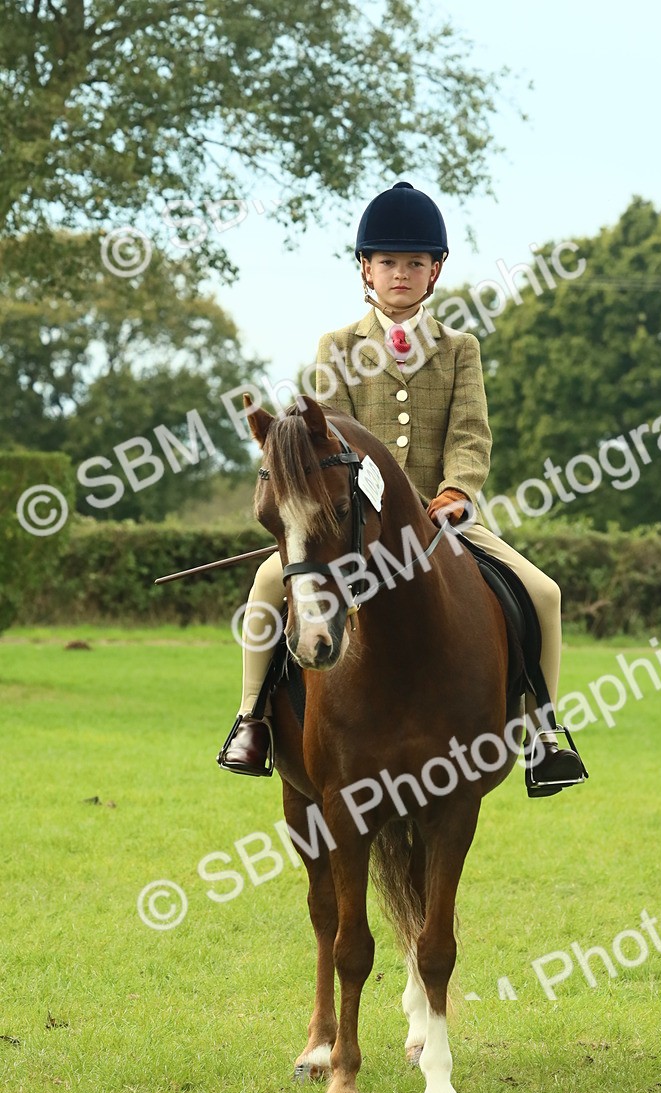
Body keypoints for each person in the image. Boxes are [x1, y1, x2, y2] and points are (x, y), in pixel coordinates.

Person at [217, 182, 583, 795]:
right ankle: (252, 719)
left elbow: (470, 433)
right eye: (388, 262)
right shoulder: (338, 347)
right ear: (367, 268)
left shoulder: (461, 349)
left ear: (435, 271)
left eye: (415, 263)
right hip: (355, 523)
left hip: (443, 521)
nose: (401, 274)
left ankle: (544, 736)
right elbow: (330, 436)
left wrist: (458, 491)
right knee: (265, 585)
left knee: (545, 593)